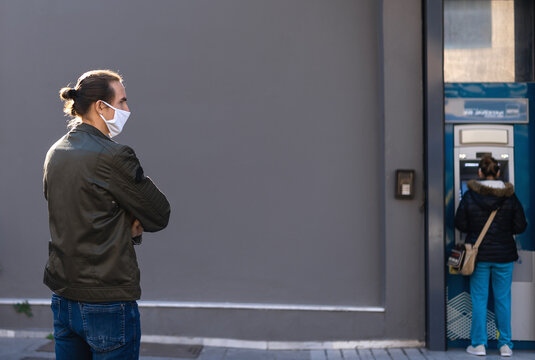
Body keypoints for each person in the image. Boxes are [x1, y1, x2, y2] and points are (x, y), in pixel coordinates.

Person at [43, 69, 171, 359]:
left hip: (63, 295)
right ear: (101, 106)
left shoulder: (55, 152)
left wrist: (118, 221)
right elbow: (159, 213)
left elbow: (76, 217)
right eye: (123, 101)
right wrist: (129, 223)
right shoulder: (113, 156)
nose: (128, 109)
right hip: (107, 300)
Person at [455, 155, 527, 357]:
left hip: (479, 256)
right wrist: (504, 231)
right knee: (502, 299)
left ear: (479, 172)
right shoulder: (509, 196)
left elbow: (460, 223)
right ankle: (505, 345)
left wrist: (474, 228)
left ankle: (478, 345)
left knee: (479, 299)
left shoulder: (469, 196)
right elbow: (521, 225)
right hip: (504, 256)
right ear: (498, 172)